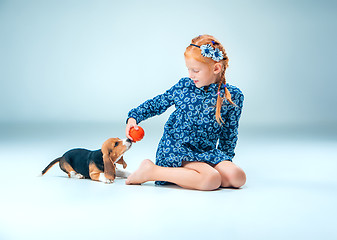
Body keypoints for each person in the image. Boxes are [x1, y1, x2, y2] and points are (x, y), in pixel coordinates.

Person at [125, 34, 246, 191]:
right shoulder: (184, 86)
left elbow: (229, 133)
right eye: (188, 69)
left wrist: (224, 162)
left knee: (238, 177)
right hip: (177, 148)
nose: (190, 75)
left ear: (216, 68)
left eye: (195, 70)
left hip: (205, 151)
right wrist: (134, 117)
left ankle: (193, 175)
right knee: (211, 179)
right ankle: (152, 171)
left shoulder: (233, 96)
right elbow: (158, 103)